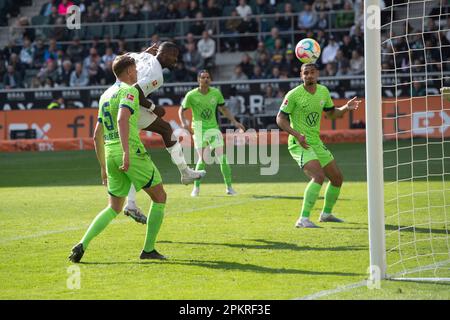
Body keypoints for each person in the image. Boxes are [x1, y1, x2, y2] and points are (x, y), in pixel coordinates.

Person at [69, 54, 167, 263]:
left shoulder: (105, 95)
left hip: (109, 152)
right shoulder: (129, 91)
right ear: (129, 71)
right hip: (129, 151)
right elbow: (123, 119)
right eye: (135, 69)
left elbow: (96, 134)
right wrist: (126, 152)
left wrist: (103, 167)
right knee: (159, 196)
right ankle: (148, 250)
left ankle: (82, 244)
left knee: (113, 207)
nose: (138, 72)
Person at [123, 42, 206, 222]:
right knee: (165, 129)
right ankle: (184, 172)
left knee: (134, 154)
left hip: (121, 103)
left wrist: (144, 52)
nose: (176, 60)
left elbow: (125, 57)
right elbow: (135, 92)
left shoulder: (145, 57)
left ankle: (130, 203)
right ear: (165, 55)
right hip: (129, 106)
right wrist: (154, 107)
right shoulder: (157, 74)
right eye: (174, 56)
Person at [276, 63, 361, 228]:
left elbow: (331, 114)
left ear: (317, 74)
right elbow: (280, 118)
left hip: (315, 141)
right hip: (299, 142)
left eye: (312, 72)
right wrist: (297, 135)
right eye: (306, 73)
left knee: (337, 179)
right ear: (301, 75)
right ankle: (303, 219)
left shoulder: (323, 91)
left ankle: (326, 214)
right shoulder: (293, 95)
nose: (309, 75)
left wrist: (345, 108)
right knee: (318, 176)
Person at [179, 70, 245, 197]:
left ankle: (229, 187)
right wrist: (184, 123)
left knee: (223, 159)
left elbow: (223, 109)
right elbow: (181, 110)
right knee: (203, 159)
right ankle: (196, 188)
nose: (206, 79)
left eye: (208, 77)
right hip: (198, 128)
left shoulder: (216, 93)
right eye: (203, 77)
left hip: (213, 128)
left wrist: (235, 122)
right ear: (198, 80)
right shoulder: (191, 95)